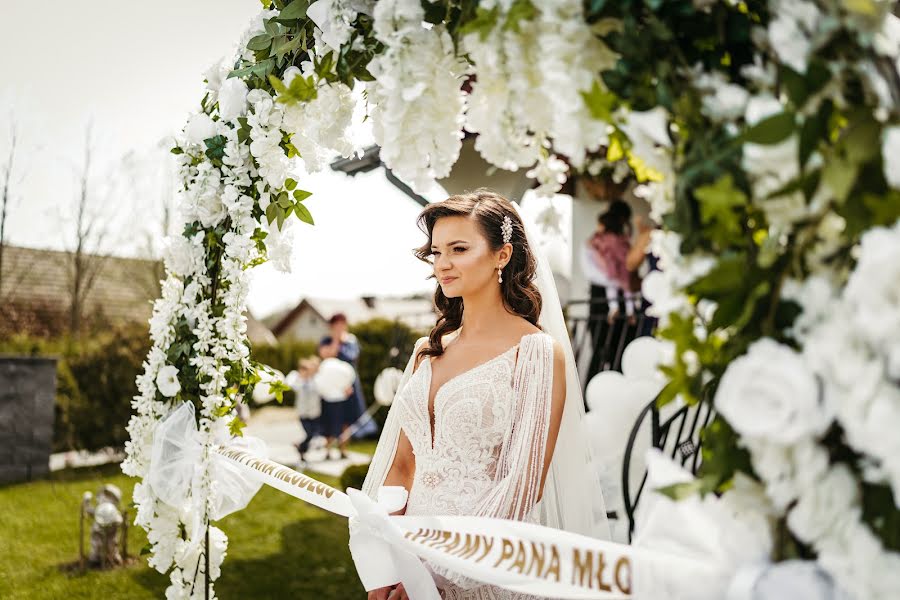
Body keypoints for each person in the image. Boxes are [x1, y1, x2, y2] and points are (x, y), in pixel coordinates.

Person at [359, 189, 610, 600]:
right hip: (408, 559)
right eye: (437, 251)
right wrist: (386, 562)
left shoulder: (536, 352)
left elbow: (523, 483)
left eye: (459, 248)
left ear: (502, 255)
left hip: (484, 566)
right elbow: (403, 467)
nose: (443, 263)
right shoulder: (428, 351)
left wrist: (436, 571)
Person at [581, 200, 635, 378]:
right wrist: (618, 281)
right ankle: (592, 394)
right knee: (600, 348)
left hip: (617, 299)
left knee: (620, 349)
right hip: (602, 300)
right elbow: (591, 273)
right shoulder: (595, 244)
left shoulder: (617, 244)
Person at [318, 313, 375, 459]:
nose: (339, 327)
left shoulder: (351, 341)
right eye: (336, 324)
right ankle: (328, 449)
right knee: (330, 416)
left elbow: (353, 357)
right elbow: (326, 355)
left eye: (342, 324)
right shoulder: (326, 340)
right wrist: (336, 340)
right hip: (330, 385)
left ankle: (343, 449)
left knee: (347, 418)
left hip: (349, 386)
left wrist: (348, 383)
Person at [288, 356, 322, 465]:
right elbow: (293, 386)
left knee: (313, 434)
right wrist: (301, 378)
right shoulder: (298, 381)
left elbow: (320, 389)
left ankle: (301, 450)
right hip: (303, 413)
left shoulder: (315, 380)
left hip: (314, 412)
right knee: (310, 433)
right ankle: (301, 448)